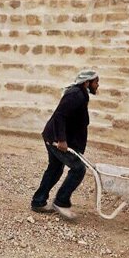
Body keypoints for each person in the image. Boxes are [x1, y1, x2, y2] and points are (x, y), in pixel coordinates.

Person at [31, 70, 100, 220]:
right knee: (78, 169)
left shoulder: (80, 93)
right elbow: (60, 116)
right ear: (86, 82)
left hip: (54, 136)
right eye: (96, 82)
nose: (98, 85)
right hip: (56, 139)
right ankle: (61, 201)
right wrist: (61, 140)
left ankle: (38, 202)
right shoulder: (76, 94)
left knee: (55, 169)